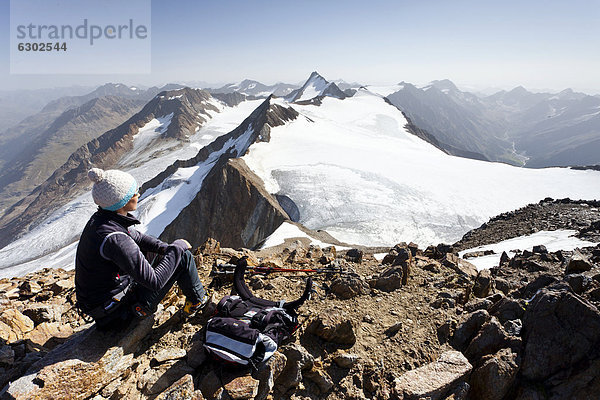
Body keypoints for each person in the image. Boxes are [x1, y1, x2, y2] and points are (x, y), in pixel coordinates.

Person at [75, 167, 208, 330]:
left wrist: (165, 249)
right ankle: (198, 302)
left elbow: (136, 237)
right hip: (118, 315)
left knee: (164, 253)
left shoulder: (102, 220)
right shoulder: (116, 239)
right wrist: (176, 249)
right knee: (183, 257)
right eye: (133, 193)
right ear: (122, 202)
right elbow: (155, 282)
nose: (137, 194)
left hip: (104, 306)